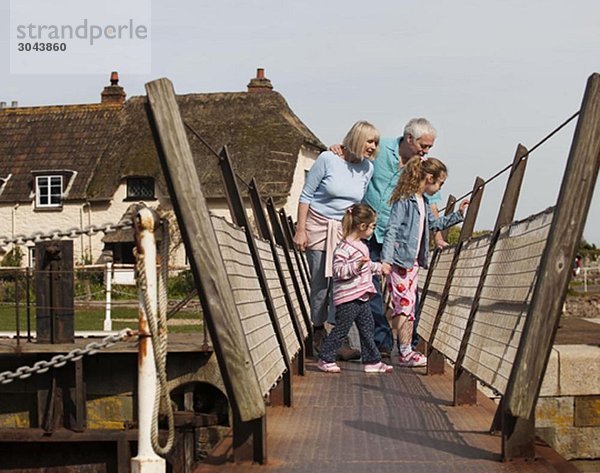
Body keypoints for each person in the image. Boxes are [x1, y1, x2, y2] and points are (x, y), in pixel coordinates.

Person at [333, 118, 441, 358]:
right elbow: (357, 154)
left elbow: (431, 203)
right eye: (423, 146)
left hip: (400, 238)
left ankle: (408, 343)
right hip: (370, 230)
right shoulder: (381, 150)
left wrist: (437, 236)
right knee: (369, 287)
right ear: (409, 138)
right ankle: (381, 342)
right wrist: (339, 149)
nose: (426, 151)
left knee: (407, 291)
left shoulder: (423, 168)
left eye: (430, 148)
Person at [293, 121, 380, 358]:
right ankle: (318, 332)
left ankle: (335, 339)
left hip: (344, 230)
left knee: (344, 284)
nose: (372, 147)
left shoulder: (367, 168)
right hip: (318, 226)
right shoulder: (328, 159)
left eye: (375, 142)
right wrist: (301, 230)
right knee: (321, 285)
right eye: (369, 141)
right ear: (356, 139)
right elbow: (306, 195)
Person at [381, 157, 468, 367]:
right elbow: (392, 229)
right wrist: (386, 259)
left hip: (412, 263)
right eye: (440, 183)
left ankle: (406, 349)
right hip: (401, 261)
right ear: (429, 178)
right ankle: (404, 351)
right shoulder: (405, 200)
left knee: (408, 307)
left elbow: (434, 224)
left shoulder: (424, 202)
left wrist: (459, 215)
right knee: (405, 305)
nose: (439, 188)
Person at [317, 204, 393, 373]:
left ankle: (372, 361)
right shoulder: (344, 247)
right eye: (372, 226)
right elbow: (337, 270)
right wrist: (355, 266)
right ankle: (325, 357)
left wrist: (379, 268)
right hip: (348, 297)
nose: (373, 230)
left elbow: (365, 265)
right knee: (342, 329)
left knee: (367, 327)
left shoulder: (360, 245)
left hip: (361, 296)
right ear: (362, 226)